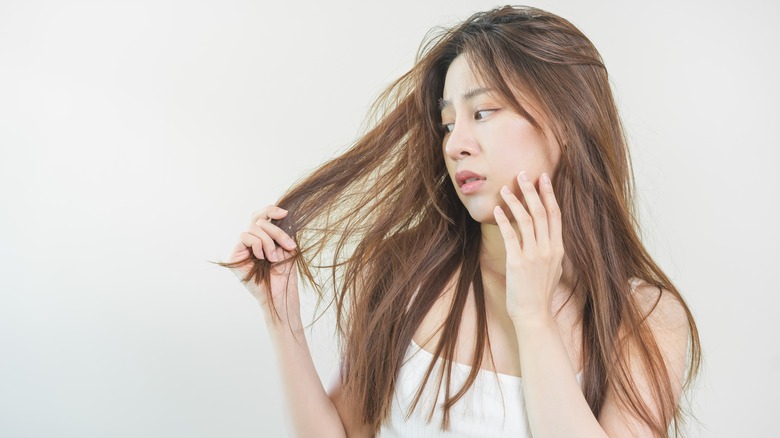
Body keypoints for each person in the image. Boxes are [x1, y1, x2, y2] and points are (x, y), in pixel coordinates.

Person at [217, 5, 701, 437]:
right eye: (448, 123)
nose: (455, 144)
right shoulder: (406, 272)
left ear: (567, 124)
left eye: (483, 113)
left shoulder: (645, 317)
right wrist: (281, 316)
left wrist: (532, 316)